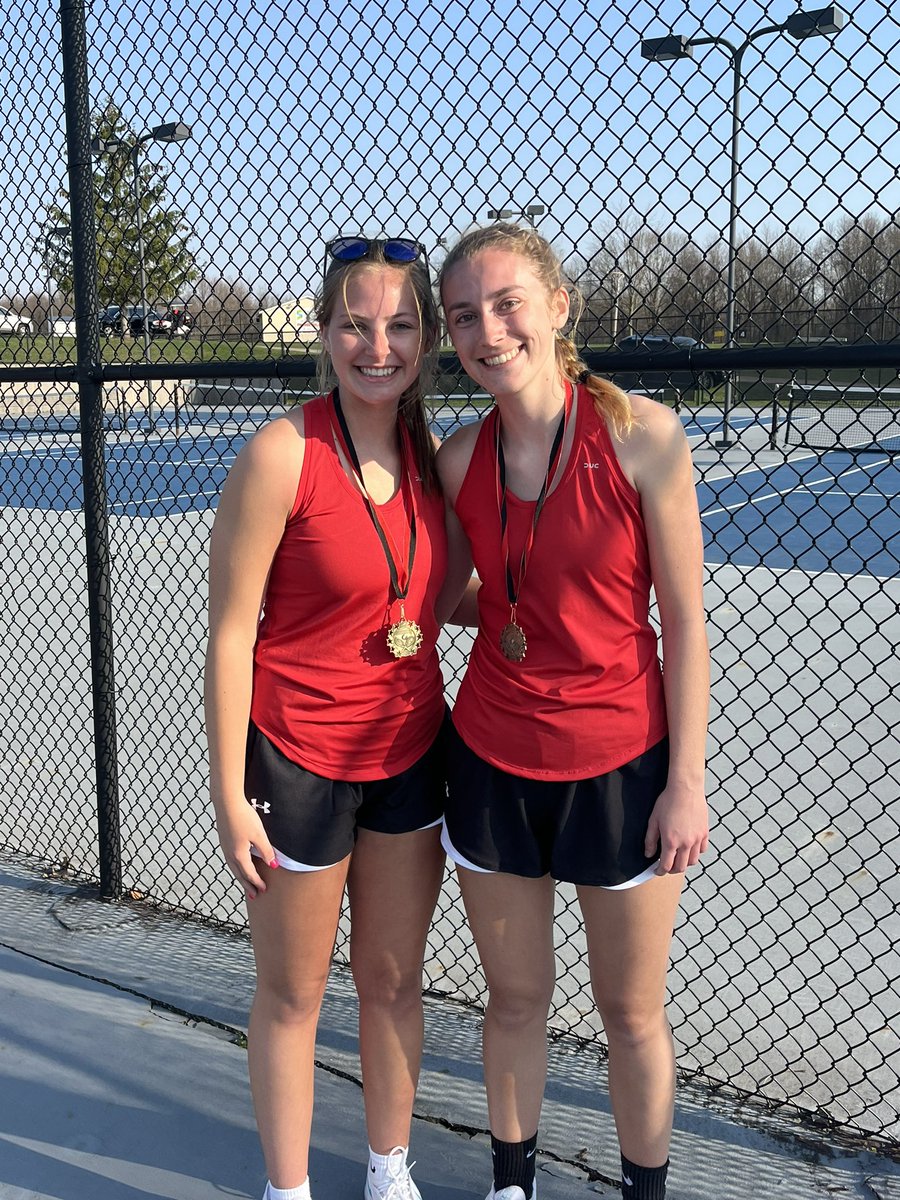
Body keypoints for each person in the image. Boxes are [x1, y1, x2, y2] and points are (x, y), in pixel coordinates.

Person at [435, 223, 710, 1200]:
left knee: (631, 1012)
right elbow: (447, 591)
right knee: (514, 1000)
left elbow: (682, 618)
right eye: (464, 316)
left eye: (507, 303)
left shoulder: (643, 436)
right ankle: (513, 1183)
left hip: (624, 764)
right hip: (494, 762)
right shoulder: (459, 457)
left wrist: (685, 783)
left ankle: (645, 1188)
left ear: (559, 306)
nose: (487, 330)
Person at [205, 236, 447, 1200]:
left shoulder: (438, 455)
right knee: (295, 992)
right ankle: (289, 1187)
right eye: (355, 323)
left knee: (392, 983)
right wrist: (231, 796)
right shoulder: (283, 452)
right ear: (324, 330)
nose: (376, 345)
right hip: (297, 760)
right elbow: (230, 637)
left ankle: (389, 1170)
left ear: (426, 337)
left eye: (399, 324)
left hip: (409, 753)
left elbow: (450, 589)